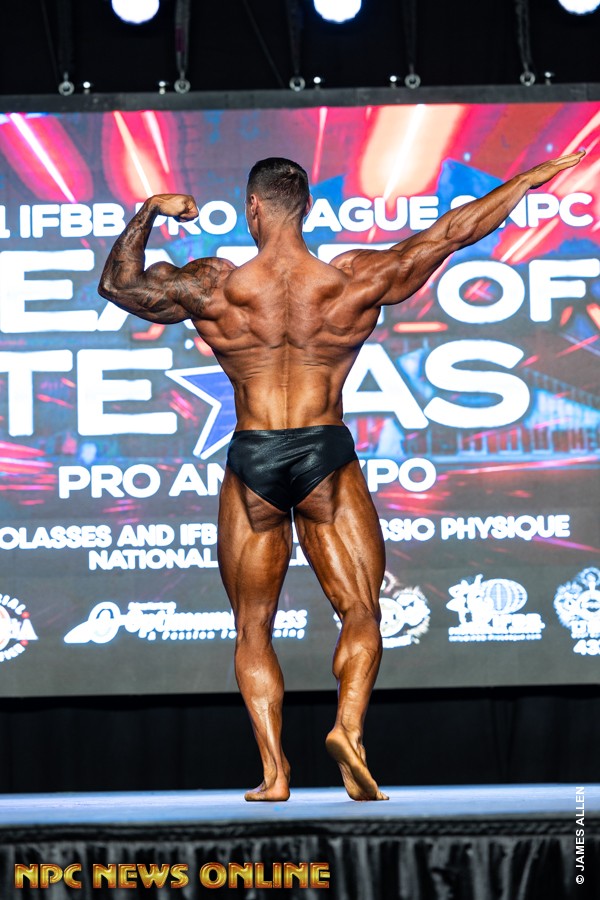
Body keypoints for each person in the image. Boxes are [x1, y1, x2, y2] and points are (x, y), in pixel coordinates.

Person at [99, 149, 584, 802]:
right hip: (324, 452)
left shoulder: (215, 285)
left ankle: (274, 774)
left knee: (252, 625)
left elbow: (120, 286)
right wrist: (523, 181)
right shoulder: (353, 279)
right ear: (308, 207)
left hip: (254, 457)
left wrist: (150, 211)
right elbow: (452, 232)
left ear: (252, 208)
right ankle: (348, 731)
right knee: (360, 608)